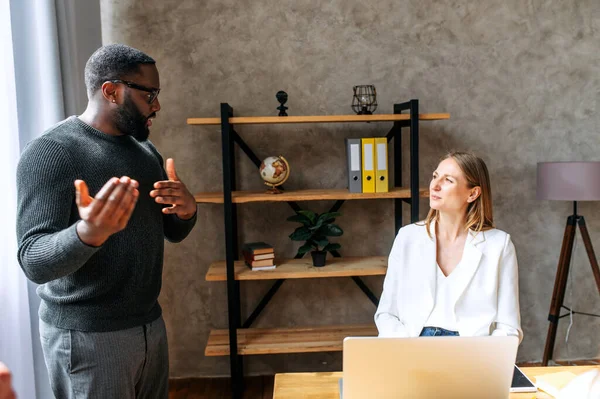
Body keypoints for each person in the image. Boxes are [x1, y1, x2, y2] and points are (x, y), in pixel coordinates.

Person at [16, 44, 197, 399]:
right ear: (111, 91)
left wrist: (186, 210)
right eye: (150, 94)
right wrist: (87, 234)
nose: (157, 106)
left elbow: (171, 231)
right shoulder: (51, 152)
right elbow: (32, 259)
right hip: (88, 339)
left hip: (149, 326)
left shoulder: (145, 152)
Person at [374, 151, 522, 341]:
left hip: (470, 351)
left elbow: (508, 327)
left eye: (448, 180)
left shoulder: (499, 245)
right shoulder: (408, 237)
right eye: (435, 176)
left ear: (473, 193)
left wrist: (484, 357)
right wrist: (407, 350)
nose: (435, 186)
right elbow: (386, 313)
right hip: (412, 343)